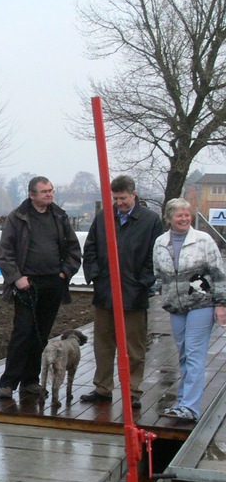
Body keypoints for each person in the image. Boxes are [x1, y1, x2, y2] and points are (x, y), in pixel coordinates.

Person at [79, 175, 163, 408]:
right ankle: (103, 387)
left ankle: (133, 390)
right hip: (105, 293)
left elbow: (155, 256)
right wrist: (97, 277)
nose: (119, 203)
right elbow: (91, 249)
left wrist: (142, 282)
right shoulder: (103, 219)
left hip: (134, 294)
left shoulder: (151, 221)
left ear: (133, 195)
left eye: (123, 198)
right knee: (103, 344)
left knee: (134, 346)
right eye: (115, 198)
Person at [0, 176, 82, 400]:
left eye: (51, 190)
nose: (49, 194)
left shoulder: (59, 216)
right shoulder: (17, 218)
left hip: (53, 284)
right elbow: (5, 253)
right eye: (44, 191)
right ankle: (8, 383)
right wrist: (16, 278)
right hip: (27, 286)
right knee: (22, 333)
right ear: (32, 194)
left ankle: (30, 381)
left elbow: (74, 250)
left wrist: (64, 273)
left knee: (40, 335)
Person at [152, 198, 226, 421]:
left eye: (187, 214)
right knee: (184, 353)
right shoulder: (160, 242)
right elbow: (158, 274)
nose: (184, 218)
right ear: (169, 218)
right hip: (176, 305)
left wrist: (221, 304)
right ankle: (183, 401)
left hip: (201, 303)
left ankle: (190, 407)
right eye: (179, 215)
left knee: (194, 352)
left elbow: (219, 274)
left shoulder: (203, 240)